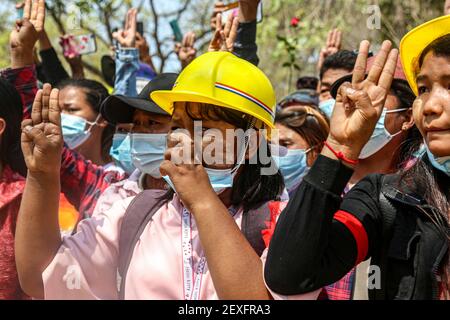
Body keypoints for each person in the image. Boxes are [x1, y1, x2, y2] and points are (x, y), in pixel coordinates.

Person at [15, 51, 287, 300]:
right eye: (178, 126)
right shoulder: (133, 214)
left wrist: (203, 200)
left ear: (251, 145)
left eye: (204, 129)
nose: (183, 140)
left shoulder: (282, 223)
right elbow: (40, 278)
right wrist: (43, 175)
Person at [265, 15, 450, 300]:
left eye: (449, 85)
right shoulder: (386, 198)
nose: (430, 106)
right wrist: (339, 147)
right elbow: (289, 275)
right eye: (423, 89)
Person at [273, 107, 329, 195]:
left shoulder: (326, 199)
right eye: (271, 144)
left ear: (317, 150)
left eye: (285, 144)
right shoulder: (264, 197)